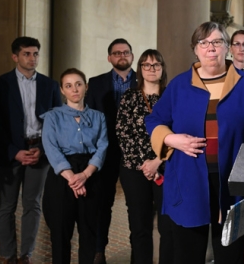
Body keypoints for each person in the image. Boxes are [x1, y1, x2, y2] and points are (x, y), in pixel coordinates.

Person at [145, 22, 244, 264]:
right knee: (188, 254)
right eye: (204, 43)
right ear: (195, 49)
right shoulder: (180, 85)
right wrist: (171, 138)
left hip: (233, 181)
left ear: (227, 48)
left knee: (230, 256)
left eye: (217, 42)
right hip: (188, 179)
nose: (211, 48)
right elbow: (154, 119)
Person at [0, 37, 62, 264]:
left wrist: (42, 149)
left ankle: (26, 255)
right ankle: (8, 255)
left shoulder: (50, 85)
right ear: (15, 57)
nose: (32, 58)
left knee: (32, 204)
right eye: (26, 54)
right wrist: (14, 151)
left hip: (38, 152)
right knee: (7, 205)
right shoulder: (0, 84)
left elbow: (56, 122)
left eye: (35, 54)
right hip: (9, 153)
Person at [41, 68, 108, 264]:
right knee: (60, 232)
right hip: (62, 176)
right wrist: (73, 178)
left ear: (86, 87)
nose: (74, 89)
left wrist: (85, 175)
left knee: (89, 231)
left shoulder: (98, 117)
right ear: (62, 90)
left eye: (78, 84)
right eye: (68, 86)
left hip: (91, 173)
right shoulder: (52, 117)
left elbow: (103, 146)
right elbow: (51, 148)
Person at [115, 49, 172, 264]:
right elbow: (123, 133)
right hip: (134, 171)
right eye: (146, 65)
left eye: (156, 64)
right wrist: (144, 164)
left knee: (168, 226)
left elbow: (175, 131)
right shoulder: (129, 97)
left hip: (166, 167)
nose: (151, 69)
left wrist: (157, 161)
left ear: (162, 69)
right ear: (140, 69)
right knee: (140, 227)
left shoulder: (170, 96)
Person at [85, 38, 137, 264]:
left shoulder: (143, 80)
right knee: (102, 203)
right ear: (109, 58)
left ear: (132, 56)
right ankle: (99, 250)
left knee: (135, 203)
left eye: (125, 52)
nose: (121, 56)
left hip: (135, 152)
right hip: (105, 151)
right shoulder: (95, 83)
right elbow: (89, 119)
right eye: (116, 53)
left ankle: (138, 250)